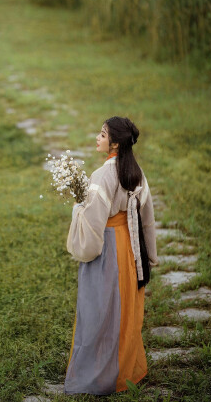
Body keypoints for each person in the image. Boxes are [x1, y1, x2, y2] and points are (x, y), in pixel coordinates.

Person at [64, 116, 158, 395]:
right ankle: (125, 369)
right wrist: (150, 255)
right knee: (124, 309)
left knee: (99, 312)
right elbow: (147, 219)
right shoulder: (136, 172)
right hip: (130, 251)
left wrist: (78, 209)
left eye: (102, 134)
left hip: (106, 250)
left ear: (114, 143)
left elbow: (93, 225)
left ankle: (99, 376)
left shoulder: (101, 177)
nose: (97, 138)